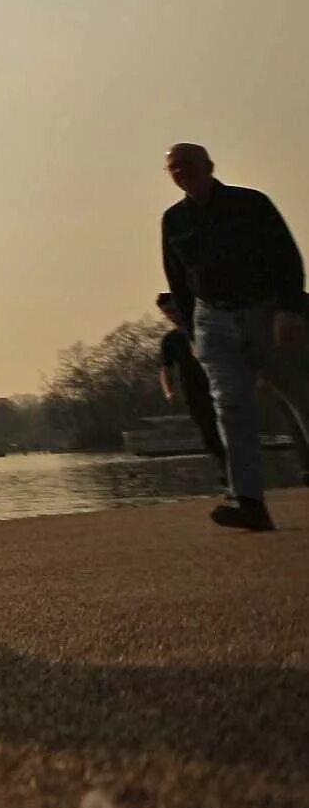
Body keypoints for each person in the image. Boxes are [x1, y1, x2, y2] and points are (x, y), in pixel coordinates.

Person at [159, 143, 309, 531]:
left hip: (266, 311)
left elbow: (287, 257)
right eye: (173, 168)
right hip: (212, 320)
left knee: (301, 397)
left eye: (187, 164)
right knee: (231, 409)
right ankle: (249, 502)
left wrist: (290, 309)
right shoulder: (173, 221)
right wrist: (191, 331)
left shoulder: (251, 204)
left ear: (209, 166)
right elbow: (178, 280)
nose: (181, 172)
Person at [155, 292, 225, 480]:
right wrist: (169, 391)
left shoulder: (203, 329)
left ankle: (239, 472)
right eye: (167, 312)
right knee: (209, 432)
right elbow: (165, 368)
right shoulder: (170, 340)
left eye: (173, 310)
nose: (172, 315)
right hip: (193, 390)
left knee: (228, 425)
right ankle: (226, 471)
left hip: (217, 383)